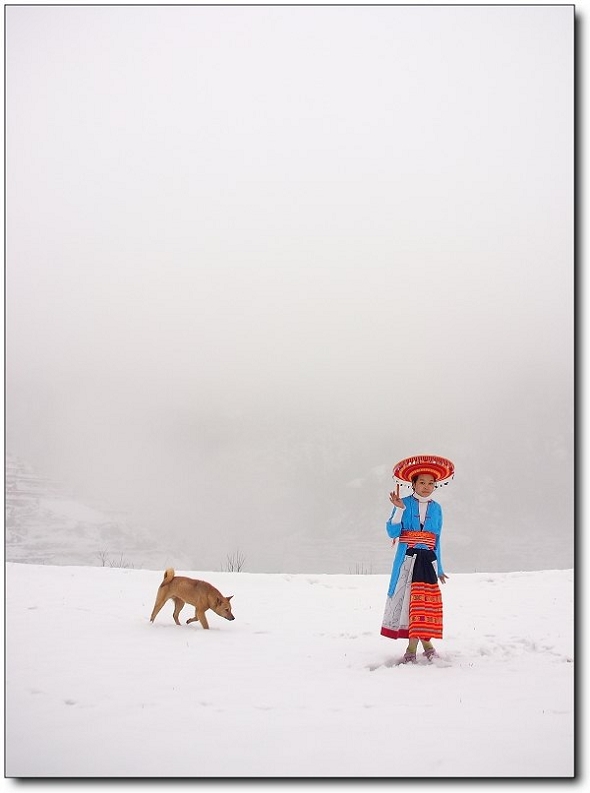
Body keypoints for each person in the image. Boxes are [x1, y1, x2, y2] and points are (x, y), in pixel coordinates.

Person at [380, 455, 453, 664]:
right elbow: (392, 532)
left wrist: (439, 567)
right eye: (422, 482)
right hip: (407, 560)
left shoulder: (437, 508)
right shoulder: (402, 503)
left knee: (424, 606)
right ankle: (418, 648)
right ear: (413, 483)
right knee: (410, 604)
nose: (426, 487)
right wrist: (399, 510)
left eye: (431, 483)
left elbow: (436, 539)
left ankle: (420, 647)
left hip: (427, 561)